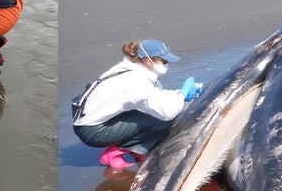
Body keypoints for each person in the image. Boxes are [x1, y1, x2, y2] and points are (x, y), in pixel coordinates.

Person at [72, 40, 201, 169]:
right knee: (160, 121)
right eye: (164, 62)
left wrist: (177, 93)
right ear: (147, 60)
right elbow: (167, 112)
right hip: (93, 131)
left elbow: (155, 96)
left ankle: (136, 149)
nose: (166, 65)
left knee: (153, 112)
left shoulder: (131, 69)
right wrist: (183, 94)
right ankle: (117, 152)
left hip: (90, 120)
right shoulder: (135, 81)